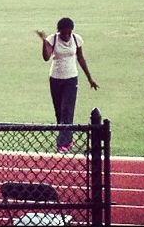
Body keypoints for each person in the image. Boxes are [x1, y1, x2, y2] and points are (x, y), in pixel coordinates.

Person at [36, 17, 99, 153]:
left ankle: (62, 144)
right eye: (63, 33)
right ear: (58, 31)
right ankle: (68, 138)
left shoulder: (76, 39)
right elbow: (46, 57)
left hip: (71, 79)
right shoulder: (53, 39)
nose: (65, 36)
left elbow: (81, 58)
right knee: (59, 112)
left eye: (68, 33)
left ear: (72, 30)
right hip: (55, 78)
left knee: (67, 110)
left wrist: (90, 78)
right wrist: (44, 41)